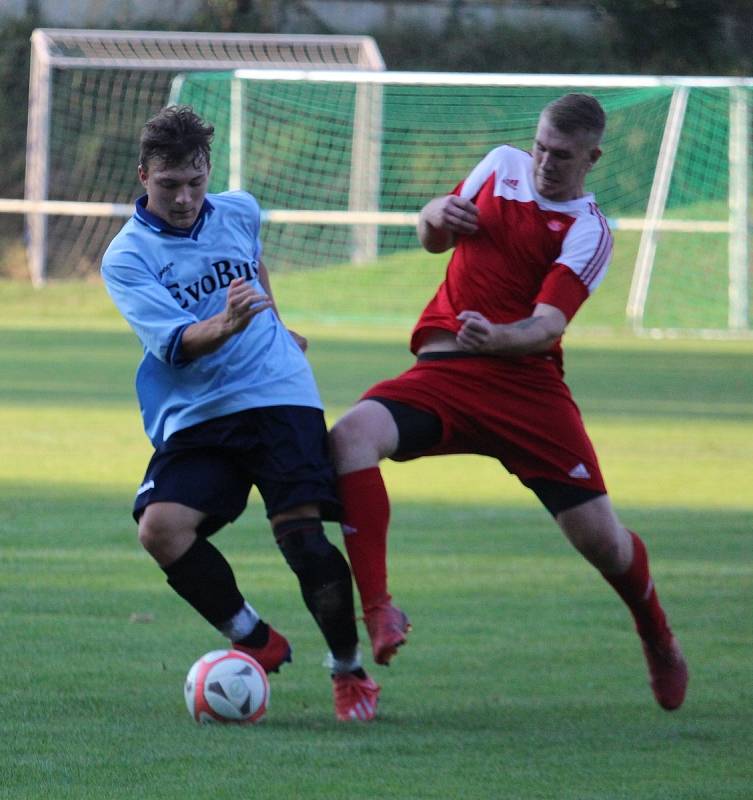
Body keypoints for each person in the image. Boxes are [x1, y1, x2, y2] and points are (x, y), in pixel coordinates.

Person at [330, 93, 688, 711]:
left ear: (592, 158)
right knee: (349, 438)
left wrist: (498, 337)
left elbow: (547, 325)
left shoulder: (589, 230)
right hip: (445, 372)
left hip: (527, 391)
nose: (546, 161)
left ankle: (656, 634)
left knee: (603, 543)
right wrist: (434, 212)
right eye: (541, 146)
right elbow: (433, 239)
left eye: (563, 155)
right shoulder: (500, 164)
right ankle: (380, 609)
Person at [101, 105, 378, 722]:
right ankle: (253, 635)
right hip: (199, 412)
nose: (184, 198)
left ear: (208, 173)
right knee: (161, 529)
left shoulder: (241, 209)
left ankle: (348, 671)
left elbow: (253, 265)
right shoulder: (127, 257)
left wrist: (276, 323)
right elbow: (176, 344)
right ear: (143, 175)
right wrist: (227, 322)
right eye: (169, 185)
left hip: (279, 394)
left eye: (195, 183)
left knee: (305, 541)